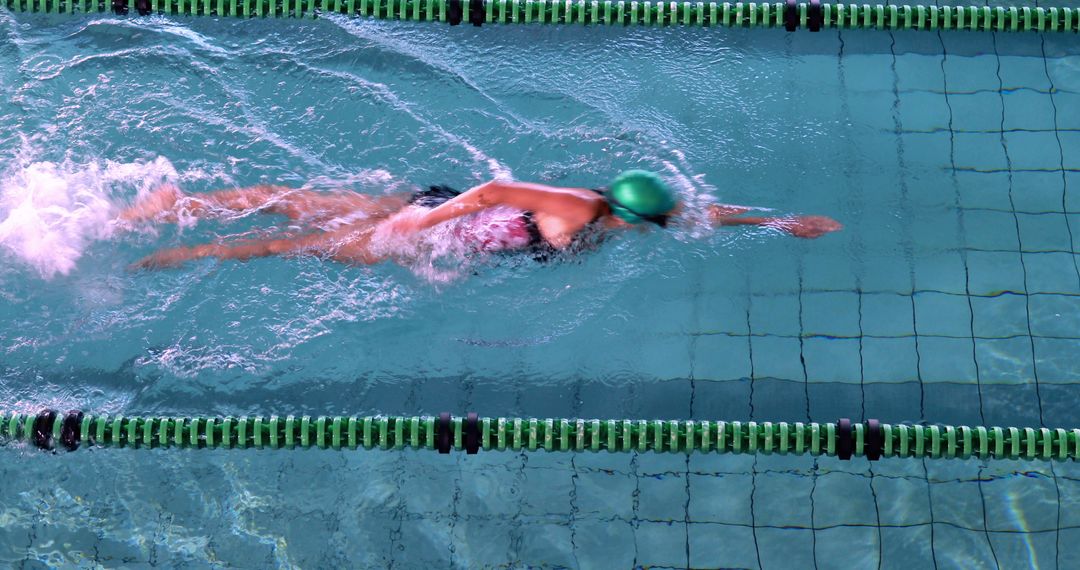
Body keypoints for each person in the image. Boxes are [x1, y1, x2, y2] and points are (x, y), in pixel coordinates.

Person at [121, 170, 841, 270]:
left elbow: (699, 216)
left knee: (304, 213)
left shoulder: (630, 215)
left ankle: (180, 210)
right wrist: (420, 228)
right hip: (436, 223)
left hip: (447, 223)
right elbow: (497, 187)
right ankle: (189, 239)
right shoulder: (586, 208)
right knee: (300, 238)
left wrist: (778, 224)